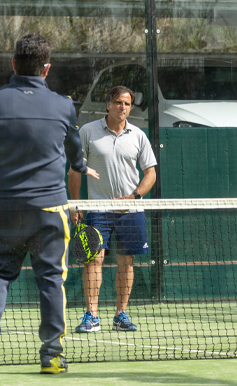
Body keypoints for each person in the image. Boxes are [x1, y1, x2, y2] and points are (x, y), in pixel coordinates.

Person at [0, 33, 99, 375]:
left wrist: (1, 180)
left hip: (3, 208)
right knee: (51, 280)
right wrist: (82, 167)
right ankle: (52, 355)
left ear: (13, 64)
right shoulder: (64, 105)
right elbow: (74, 154)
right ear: (46, 69)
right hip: (51, 212)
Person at [67, 85, 156, 334]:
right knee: (94, 260)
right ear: (108, 105)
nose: (123, 107)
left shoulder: (138, 135)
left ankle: (121, 315)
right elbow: (74, 171)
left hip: (130, 211)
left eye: (127, 103)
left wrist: (135, 196)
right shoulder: (88, 132)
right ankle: (92, 316)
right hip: (98, 208)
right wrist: (76, 205)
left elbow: (151, 172)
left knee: (127, 262)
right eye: (118, 102)